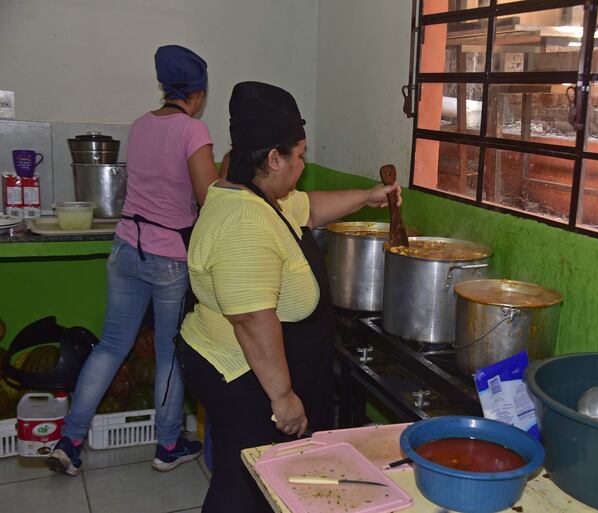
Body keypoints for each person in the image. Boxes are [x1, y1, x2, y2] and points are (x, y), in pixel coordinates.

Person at [176, 81, 402, 513]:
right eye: (298, 155)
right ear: (273, 158)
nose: (302, 164)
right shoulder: (244, 221)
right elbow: (251, 320)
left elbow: (310, 208)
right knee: (244, 486)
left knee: (250, 474)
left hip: (235, 361)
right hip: (242, 373)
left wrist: (367, 196)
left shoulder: (254, 194)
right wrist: (283, 398)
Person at [46, 45, 219, 476]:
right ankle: (168, 444)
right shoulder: (193, 131)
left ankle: (70, 441)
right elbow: (209, 198)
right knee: (168, 353)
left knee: (110, 347)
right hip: (168, 258)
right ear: (198, 93)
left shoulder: (140, 125)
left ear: (165, 86)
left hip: (126, 248)